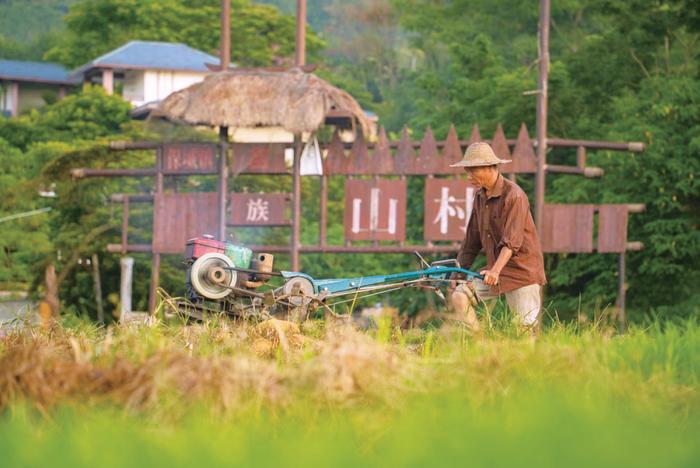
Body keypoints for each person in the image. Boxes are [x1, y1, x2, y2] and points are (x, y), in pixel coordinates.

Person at [448, 142, 546, 332]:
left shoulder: (514, 196)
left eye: (472, 171)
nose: (468, 177)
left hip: (522, 272)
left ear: (489, 167)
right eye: (467, 171)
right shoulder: (480, 198)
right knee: (459, 296)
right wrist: (457, 274)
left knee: (523, 329)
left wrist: (495, 271)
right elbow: (471, 243)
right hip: (494, 271)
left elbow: (512, 241)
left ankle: (528, 360)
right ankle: (482, 344)